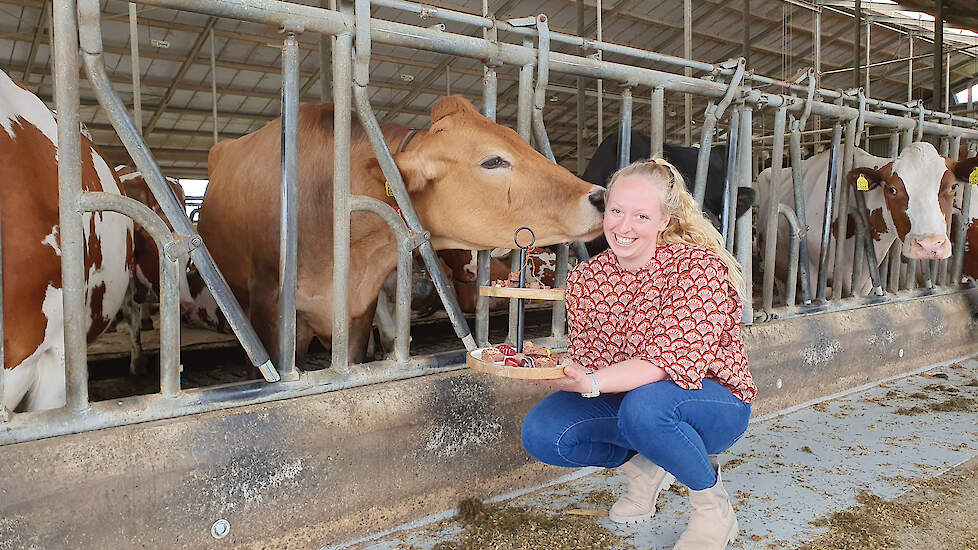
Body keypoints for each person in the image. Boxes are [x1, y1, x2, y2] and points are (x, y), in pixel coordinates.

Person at [520, 158, 756, 550]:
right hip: (636, 401)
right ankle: (645, 471)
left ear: (664, 220)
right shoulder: (586, 278)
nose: (623, 227)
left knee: (646, 409)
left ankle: (713, 510)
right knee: (544, 432)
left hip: (713, 401)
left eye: (641, 216)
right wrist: (565, 373)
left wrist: (592, 382)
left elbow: (668, 362)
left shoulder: (699, 268)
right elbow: (594, 364)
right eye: (616, 211)